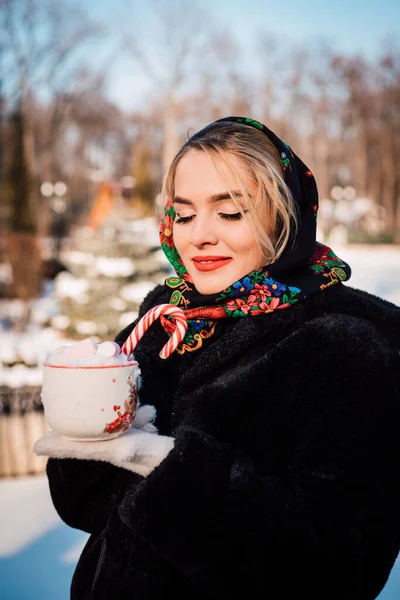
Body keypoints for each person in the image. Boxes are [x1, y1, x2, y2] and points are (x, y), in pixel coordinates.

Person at [35, 116, 400, 600]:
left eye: (230, 213)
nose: (199, 236)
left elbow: (336, 571)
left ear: (284, 216)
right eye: (184, 215)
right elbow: (87, 511)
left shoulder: (345, 346)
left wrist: (175, 473)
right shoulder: (166, 323)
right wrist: (83, 433)